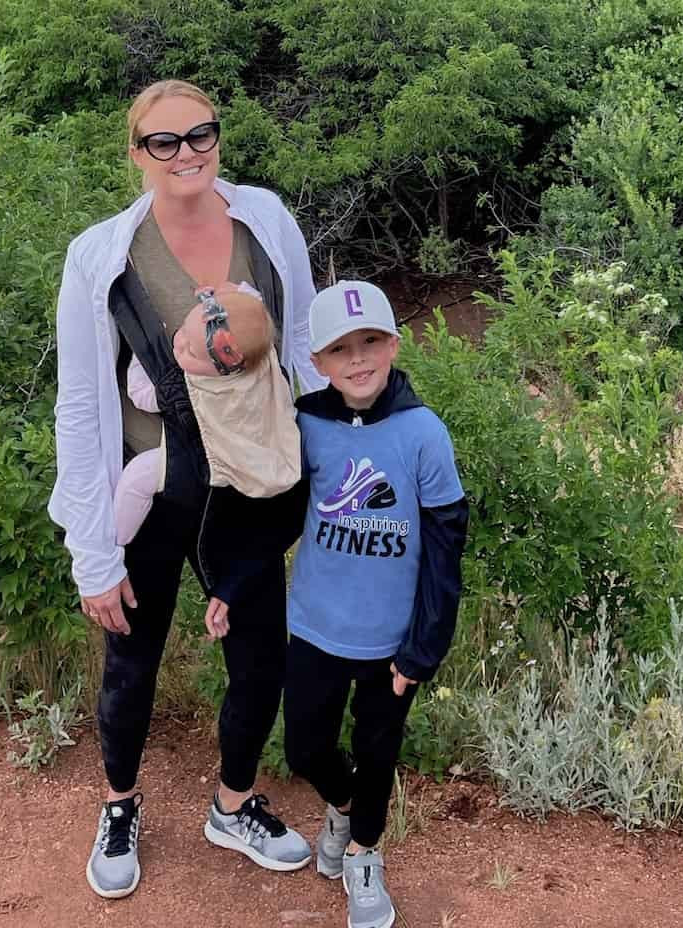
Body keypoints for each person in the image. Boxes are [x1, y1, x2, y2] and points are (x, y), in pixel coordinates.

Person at [49, 79, 321, 900]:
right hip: (155, 491)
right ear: (136, 153)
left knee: (260, 658)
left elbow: (301, 345)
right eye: (163, 142)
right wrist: (93, 552)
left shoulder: (266, 221)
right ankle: (120, 804)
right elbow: (81, 398)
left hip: (246, 490)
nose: (186, 154)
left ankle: (233, 805)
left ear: (217, 139)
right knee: (132, 656)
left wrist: (323, 471)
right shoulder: (101, 254)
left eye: (199, 135)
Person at [221, 279, 468, 928]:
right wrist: (231, 585)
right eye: (340, 349)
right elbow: (279, 524)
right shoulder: (310, 425)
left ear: (393, 343)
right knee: (306, 750)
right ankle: (346, 804)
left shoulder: (424, 435)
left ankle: (362, 852)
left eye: (370, 343)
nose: (357, 360)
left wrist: (423, 650)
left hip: (391, 643)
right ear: (319, 363)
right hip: (315, 631)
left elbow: (446, 553)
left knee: (379, 749)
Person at [112, 282, 301, 543]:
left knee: (138, 476)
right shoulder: (261, 359)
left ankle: (116, 538)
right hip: (264, 447)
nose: (178, 344)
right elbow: (255, 314)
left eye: (190, 351)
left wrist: (140, 355)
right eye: (184, 332)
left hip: (212, 459)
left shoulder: (191, 389)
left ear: (226, 365)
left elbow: (141, 395)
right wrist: (238, 292)